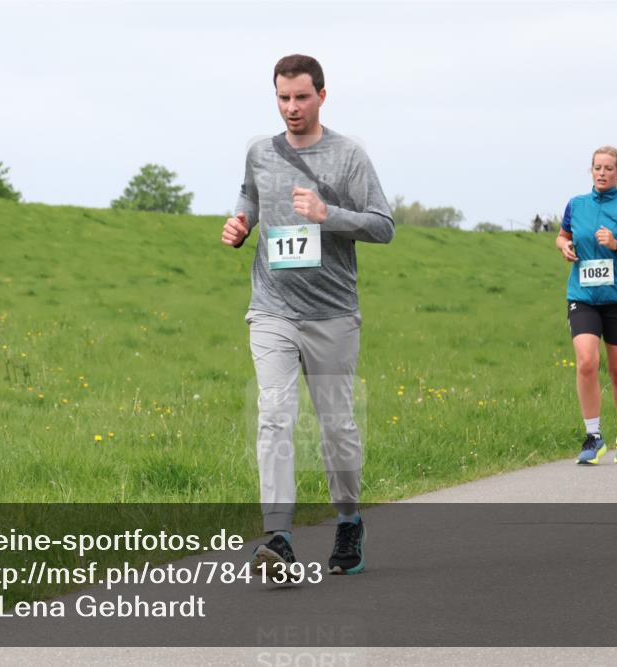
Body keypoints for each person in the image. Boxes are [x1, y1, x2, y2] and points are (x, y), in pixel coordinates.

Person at [221, 54, 394, 575]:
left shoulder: (348, 157)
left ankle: (348, 522)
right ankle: (278, 536)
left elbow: (383, 225)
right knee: (273, 418)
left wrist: (327, 214)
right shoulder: (259, 151)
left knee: (336, 426)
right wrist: (241, 224)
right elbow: (249, 198)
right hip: (272, 308)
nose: (291, 108)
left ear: (322, 95)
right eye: (283, 98)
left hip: (332, 315)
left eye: (301, 97)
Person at [555, 146, 617, 464]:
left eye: (608, 168)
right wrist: (565, 246)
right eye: (597, 167)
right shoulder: (576, 205)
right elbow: (561, 235)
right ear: (591, 170)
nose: (602, 173)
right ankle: (593, 436)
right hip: (583, 297)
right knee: (586, 361)